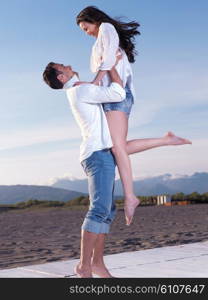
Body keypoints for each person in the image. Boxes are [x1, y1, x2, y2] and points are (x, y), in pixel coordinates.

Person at [42, 62, 192, 277]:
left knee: (107, 210)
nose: (68, 65)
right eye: (62, 66)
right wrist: (110, 68)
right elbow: (117, 92)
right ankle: (84, 266)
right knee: (99, 210)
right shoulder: (80, 90)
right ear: (61, 77)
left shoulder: (81, 88)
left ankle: (98, 264)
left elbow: (122, 145)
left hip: (101, 153)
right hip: (97, 155)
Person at [76, 6, 141, 225]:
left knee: (116, 148)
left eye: (85, 27)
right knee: (117, 146)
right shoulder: (101, 37)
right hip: (112, 97)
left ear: (92, 20)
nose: (85, 32)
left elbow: (109, 59)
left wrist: (94, 82)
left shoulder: (106, 28)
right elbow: (108, 59)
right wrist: (95, 82)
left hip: (117, 96)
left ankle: (130, 197)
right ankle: (167, 140)